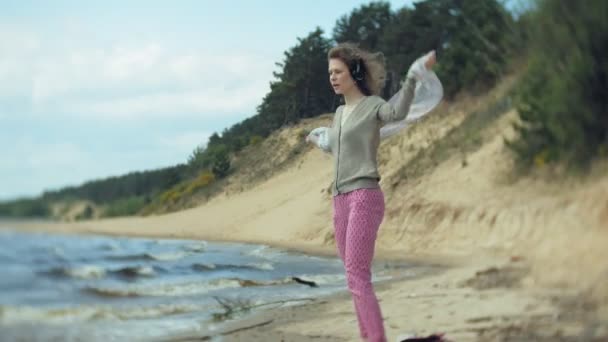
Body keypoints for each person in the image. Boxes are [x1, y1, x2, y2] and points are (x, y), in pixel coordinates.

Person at [305, 43, 437, 342]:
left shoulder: (374, 105)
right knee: (353, 276)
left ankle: (376, 339)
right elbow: (338, 148)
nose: (333, 78)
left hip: (364, 196)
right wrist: (319, 140)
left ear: (353, 72)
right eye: (330, 73)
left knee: (357, 273)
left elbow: (398, 111)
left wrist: (413, 77)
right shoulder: (339, 113)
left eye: (338, 72)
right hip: (339, 200)